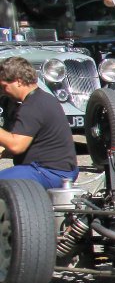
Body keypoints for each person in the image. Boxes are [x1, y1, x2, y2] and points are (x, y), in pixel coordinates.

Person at [0, 57, 78, 187]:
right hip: (62, 170)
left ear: (18, 81)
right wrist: (4, 151)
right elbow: (39, 143)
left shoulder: (32, 106)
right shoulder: (44, 98)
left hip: (49, 172)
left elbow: (16, 146)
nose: (3, 92)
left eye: (4, 87)